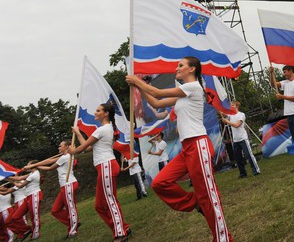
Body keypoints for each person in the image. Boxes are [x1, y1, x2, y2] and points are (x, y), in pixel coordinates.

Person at [126, 57, 233, 242]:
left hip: (198, 145)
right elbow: (157, 102)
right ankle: (195, 202)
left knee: (209, 195)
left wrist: (137, 80)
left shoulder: (193, 87)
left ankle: (223, 239)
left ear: (192, 69)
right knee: (160, 183)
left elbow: (158, 93)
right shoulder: (184, 93)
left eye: (180, 65)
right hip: (187, 148)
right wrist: (138, 88)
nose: (177, 68)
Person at [68, 103, 131, 241]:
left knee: (110, 201)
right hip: (104, 167)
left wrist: (73, 151)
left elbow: (82, 148)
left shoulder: (102, 130)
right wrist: (78, 133)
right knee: (99, 206)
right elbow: (89, 147)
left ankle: (120, 232)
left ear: (106, 113)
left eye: (98, 110)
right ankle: (122, 227)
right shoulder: (105, 129)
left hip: (106, 165)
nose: (95, 113)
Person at [28, 140, 80, 238]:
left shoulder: (66, 157)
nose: (58, 148)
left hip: (69, 183)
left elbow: (50, 166)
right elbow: (50, 161)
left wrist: (34, 166)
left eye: (60, 146)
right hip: (65, 185)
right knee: (55, 210)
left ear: (67, 147)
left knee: (70, 207)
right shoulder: (63, 157)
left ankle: (73, 231)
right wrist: (34, 165)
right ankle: (73, 221)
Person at [220, 102, 260, 178]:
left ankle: (256, 170)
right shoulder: (230, 115)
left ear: (237, 106)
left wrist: (227, 121)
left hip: (243, 138)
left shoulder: (241, 115)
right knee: (238, 158)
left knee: (249, 155)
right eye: (230, 105)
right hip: (235, 140)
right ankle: (243, 173)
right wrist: (219, 108)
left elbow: (237, 125)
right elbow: (223, 115)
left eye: (233, 105)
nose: (231, 107)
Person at [6, 163, 42, 240]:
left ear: (32, 166)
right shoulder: (30, 174)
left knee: (34, 216)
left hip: (34, 194)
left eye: (28, 164)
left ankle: (36, 234)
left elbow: (20, 185)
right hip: (28, 197)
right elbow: (18, 179)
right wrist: (7, 178)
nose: (26, 165)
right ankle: (27, 230)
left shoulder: (34, 174)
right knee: (15, 217)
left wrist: (11, 180)